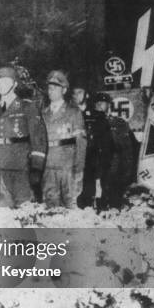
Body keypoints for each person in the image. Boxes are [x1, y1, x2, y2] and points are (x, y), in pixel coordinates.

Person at [0, 66, 47, 208]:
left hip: (19, 167)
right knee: (2, 213)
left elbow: (38, 140)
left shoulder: (27, 107)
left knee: (24, 212)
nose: (1, 85)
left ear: (14, 84)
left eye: (6, 81)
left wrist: (36, 169)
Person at [41, 70, 87, 208]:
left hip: (68, 165)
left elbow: (81, 142)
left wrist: (79, 168)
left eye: (55, 88)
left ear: (64, 90)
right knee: (50, 205)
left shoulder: (73, 112)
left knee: (70, 203)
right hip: (48, 165)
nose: (51, 91)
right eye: (49, 88)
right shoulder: (43, 113)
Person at [72, 83, 113, 209]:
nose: (76, 96)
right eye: (74, 93)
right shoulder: (68, 114)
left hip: (92, 158)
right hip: (73, 156)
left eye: (79, 92)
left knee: (91, 187)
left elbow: (105, 141)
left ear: (86, 94)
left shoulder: (96, 115)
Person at [95, 92, 134, 209]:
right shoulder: (91, 123)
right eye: (96, 104)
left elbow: (127, 150)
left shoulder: (119, 123)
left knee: (115, 200)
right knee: (98, 201)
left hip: (115, 166)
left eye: (102, 103)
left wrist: (127, 172)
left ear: (109, 105)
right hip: (97, 166)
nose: (99, 106)